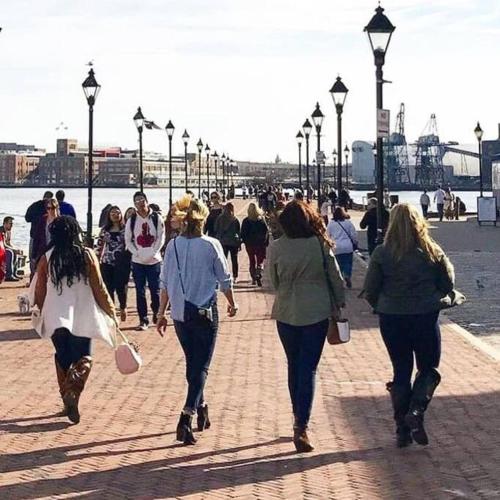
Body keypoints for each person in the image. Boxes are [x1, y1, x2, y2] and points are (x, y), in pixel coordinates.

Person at [363, 203, 455, 448]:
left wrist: (382, 304)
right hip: (425, 316)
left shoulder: (382, 253)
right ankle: (415, 411)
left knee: (401, 369)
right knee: (428, 368)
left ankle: (401, 429)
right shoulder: (431, 250)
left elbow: (370, 289)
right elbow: (448, 284)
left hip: (392, 318)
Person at [156, 194, 238, 445]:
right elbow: (224, 279)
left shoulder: (172, 246)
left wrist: (161, 313)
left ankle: (202, 407)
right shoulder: (211, 245)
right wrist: (232, 303)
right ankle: (186, 415)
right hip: (205, 311)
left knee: (193, 363)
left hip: (180, 313)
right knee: (201, 366)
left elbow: (165, 282)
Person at [268, 200, 345, 452]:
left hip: (286, 312)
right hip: (316, 311)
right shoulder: (319, 244)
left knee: (294, 364)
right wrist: (339, 303)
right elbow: (335, 276)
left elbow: (274, 281)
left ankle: (296, 415)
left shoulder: (277, 247)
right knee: (308, 368)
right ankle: (302, 425)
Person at [32, 216, 117, 424]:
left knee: (63, 357)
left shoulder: (47, 257)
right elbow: (99, 287)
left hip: (54, 315)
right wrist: (111, 311)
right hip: (82, 314)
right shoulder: (86, 255)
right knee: (84, 358)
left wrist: (39, 310)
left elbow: (40, 289)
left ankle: (67, 399)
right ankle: (72, 396)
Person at [125, 191, 165, 330]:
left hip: (154, 260)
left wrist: (154, 251)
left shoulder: (156, 218)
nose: (140, 203)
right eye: (136, 201)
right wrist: (136, 253)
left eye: (142, 200)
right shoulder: (132, 220)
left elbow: (161, 237)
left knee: (155, 290)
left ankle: (156, 313)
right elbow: (128, 240)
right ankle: (143, 319)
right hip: (138, 261)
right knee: (139, 291)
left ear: (147, 201)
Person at [96, 206, 130, 322]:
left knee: (121, 287)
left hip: (121, 262)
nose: (115, 215)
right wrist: (97, 259)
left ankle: (123, 307)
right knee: (108, 288)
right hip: (107, 261)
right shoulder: (105, 229)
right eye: (113, 213)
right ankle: (112, 312)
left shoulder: (126, 229)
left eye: (117, 213)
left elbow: (130, 244)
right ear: (109, 216)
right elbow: (99, 245)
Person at [326, 207, 358, 288]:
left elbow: (327, 235)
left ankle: (339, 280)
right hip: (347, 246)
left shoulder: (331, 224)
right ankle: (347, 275)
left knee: (338, 264)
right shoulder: (348, 223)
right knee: (348, 263)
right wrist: (355, 243)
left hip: (336, 247)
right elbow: (353, 235)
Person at [25, 191, 54, 274]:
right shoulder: (50, 207)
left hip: (34, 234)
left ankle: (33, 275)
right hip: (47, 235)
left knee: (33, 256)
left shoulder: (34, 206)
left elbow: (27, 218)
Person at [241, 203, 269, 286]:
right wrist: (266, 242)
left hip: (250, 244)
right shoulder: (261, 220)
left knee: (252, 260)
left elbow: (243, 233)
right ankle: (259, 273)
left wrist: (244, 241)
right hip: (260, 243)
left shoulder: (246, 221)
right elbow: (266, 232)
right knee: (260, 260)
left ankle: (253, 278)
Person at [214, 202, 241, 282]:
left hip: (223, 242)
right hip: (233, 242)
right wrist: (239, 243)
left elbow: (215, 228)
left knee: (223, 259)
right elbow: (238, 231)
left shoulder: (219, 218)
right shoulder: (234, 219)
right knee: (234, 259)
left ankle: (223, 274)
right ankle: (235, 276)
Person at [32, 198, 60, 269]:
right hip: (43, 251)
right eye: (48, 208)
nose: (50, 210)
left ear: (57, 208)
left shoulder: (61, 221)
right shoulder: (43, 220)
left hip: (57, 253)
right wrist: (34, 255)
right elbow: (37, 237)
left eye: (52, 208)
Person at [0, 217, 23, 281]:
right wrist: (14, 250)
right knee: (10, 252)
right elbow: (3, 245)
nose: (12, 225)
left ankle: (14, 273)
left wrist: (15, 249)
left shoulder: (8, 231)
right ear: (5, 224)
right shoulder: (1, 231)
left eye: (12, 223)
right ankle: (8, 275)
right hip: (1, 249)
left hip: (3, 248)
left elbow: (8, 244)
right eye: (10, 223)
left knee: (15, 252)